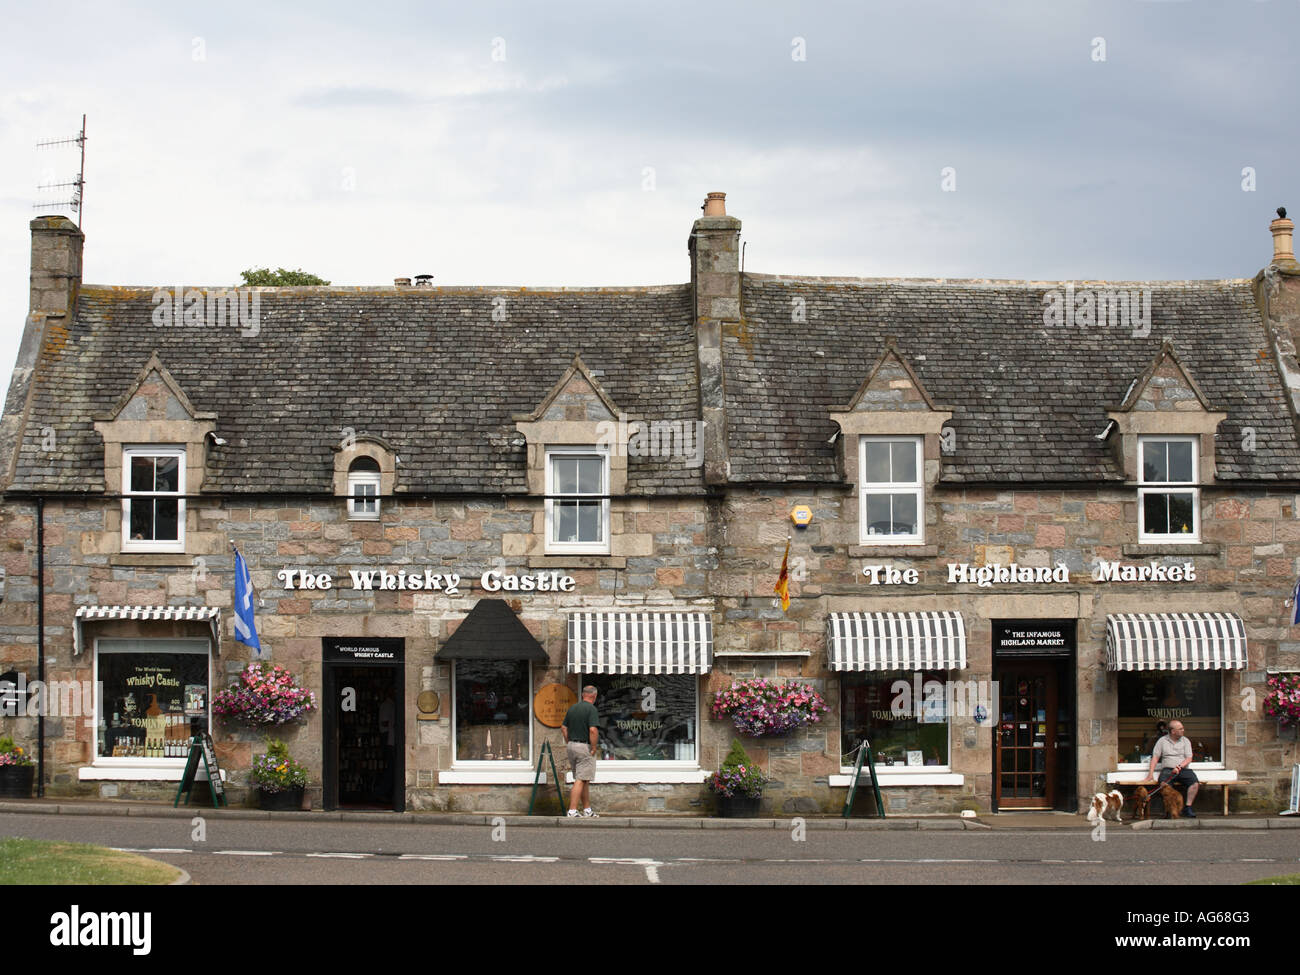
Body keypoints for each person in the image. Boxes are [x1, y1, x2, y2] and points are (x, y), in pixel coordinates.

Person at [1144, 718, 1199, 818]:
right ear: (1173, 731)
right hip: (1168, 770)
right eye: (1180, 729)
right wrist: (1150, 774)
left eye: (1183, 728)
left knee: (1194, 784)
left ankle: (1188, 807)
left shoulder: (1185, 741)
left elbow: (1189, 758)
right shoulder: (1162, 741)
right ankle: (1169, 810)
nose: (1183, 730)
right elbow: (1155, 757)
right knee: (1164, 786)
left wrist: (1179, 767)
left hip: (1183, 769)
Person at [561, 685, 600, 818]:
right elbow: (593, 730)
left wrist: (569, 742)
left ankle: (587, 809)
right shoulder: (591, 709)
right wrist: (594, 747)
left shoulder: (573, 708)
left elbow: (564, 728)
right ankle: (572, 810)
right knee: (581, 779)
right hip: (584, 746)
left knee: (584, 779)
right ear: (594, 696)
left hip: (571, 745)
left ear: (583, 695)